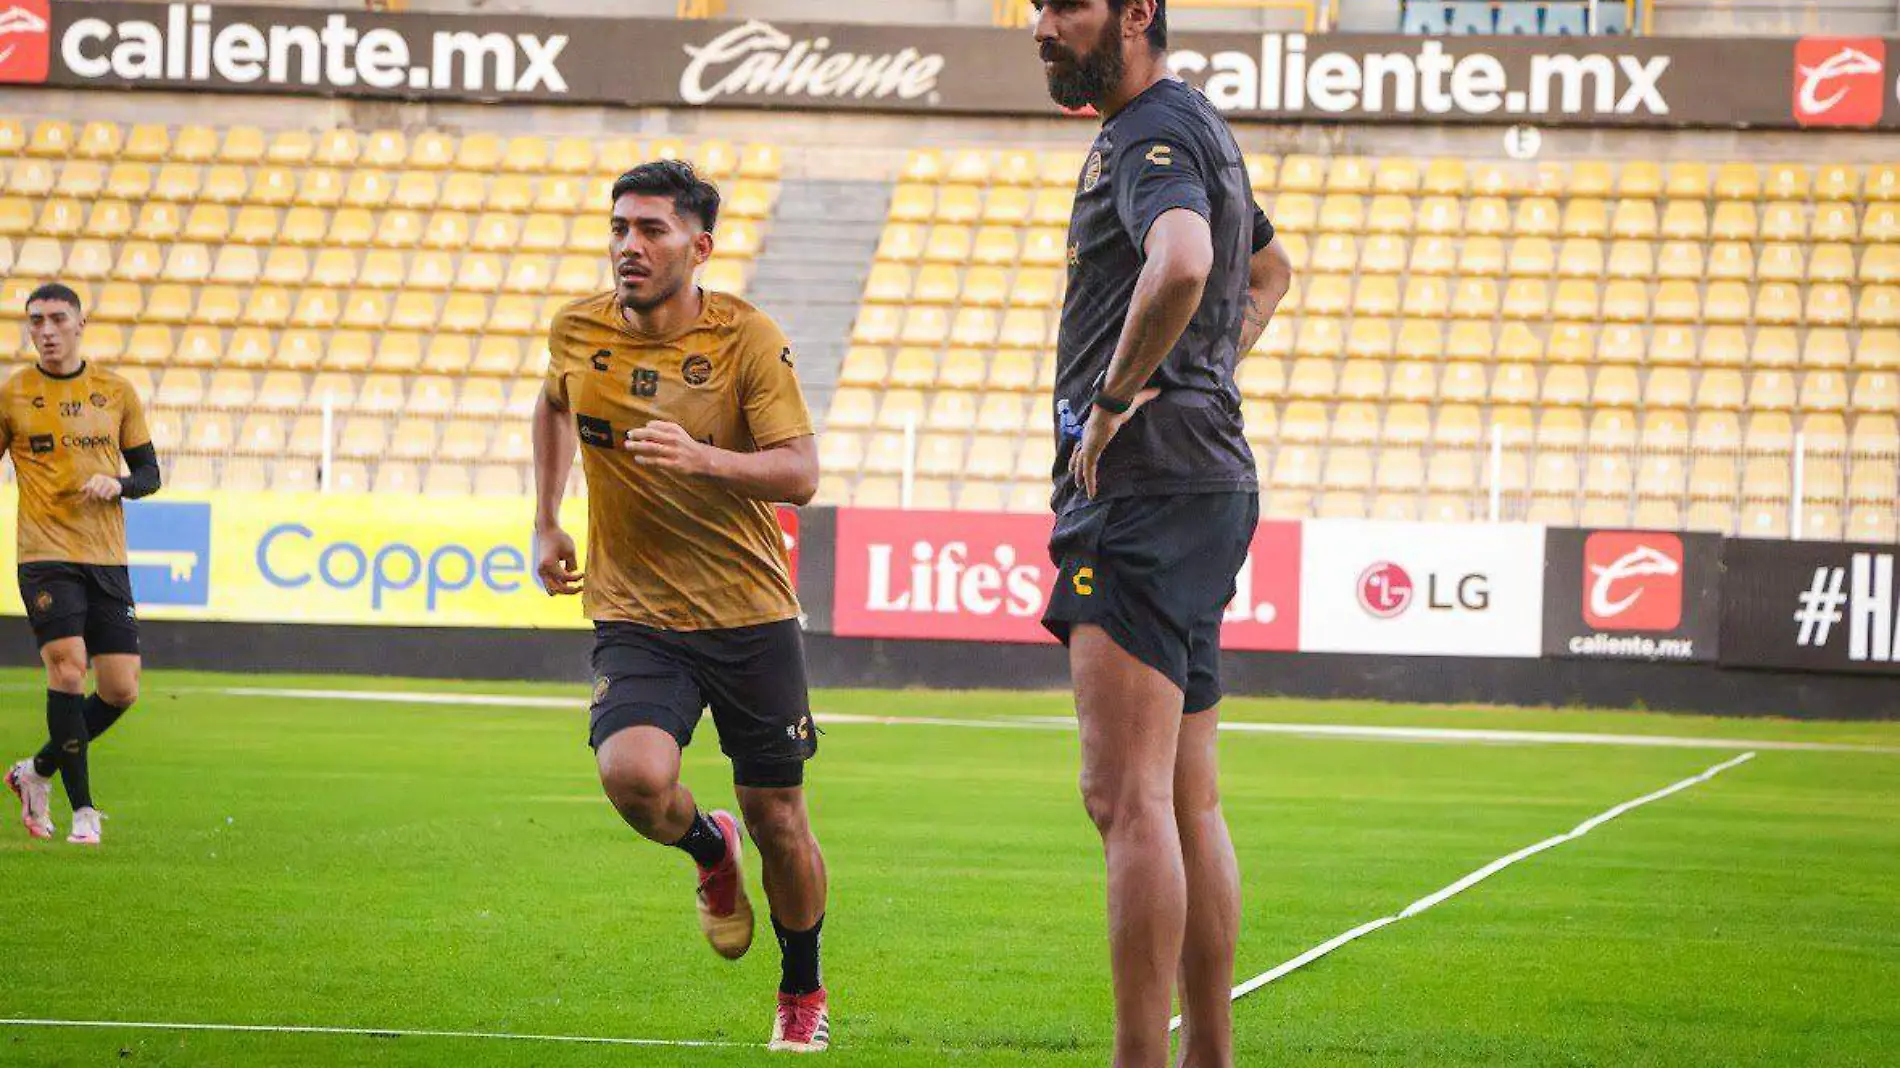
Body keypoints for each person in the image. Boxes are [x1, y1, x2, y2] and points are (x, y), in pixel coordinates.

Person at [1030, 2, 1295, 1066]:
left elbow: (1182, 261)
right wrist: (1203, 371)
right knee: (1186, 797)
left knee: (1123, 796)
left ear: (1136, 12)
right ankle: (1207, 1056)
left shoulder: (1149, 133)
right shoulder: (1196, 125)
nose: (1042, 26)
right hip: (1203, 481)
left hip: (1143, 488)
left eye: (1066, 5)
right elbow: (1269, 270)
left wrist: (1116, 399)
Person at [531, 161, 832, 1053]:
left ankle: (802, 990)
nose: (629, 245)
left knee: (780, 818)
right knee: (632, 776)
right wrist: (546, 517)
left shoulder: (747, 339)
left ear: (698, 248)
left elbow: (801, 473)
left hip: (749, 613)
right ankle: (708, 848)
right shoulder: (576, 329)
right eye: (619, 227)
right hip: (636, 611)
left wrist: (707, 460)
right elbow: (551, 405)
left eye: (652, 230)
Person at [2, 283, 162, 847]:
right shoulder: (13, 394)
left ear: (79, 323)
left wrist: (118, 483)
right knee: (68, 669)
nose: (45, 331)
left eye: (56, 319)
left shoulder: (115, 391)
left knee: (120, 689)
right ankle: (84, 811)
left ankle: (35, 771)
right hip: (44, 555)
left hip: (106, 557)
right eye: (35, 321)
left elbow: (150, 475)